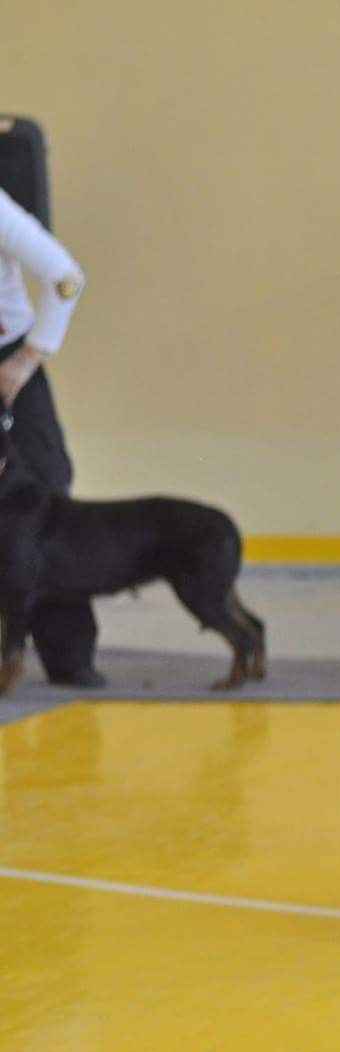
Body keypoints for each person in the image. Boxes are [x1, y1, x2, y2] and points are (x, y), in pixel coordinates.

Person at [0, 184, 98, 686]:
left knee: (45, 501)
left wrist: (26, 361)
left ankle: (70, 657)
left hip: (12, 366)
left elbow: (65, 278)